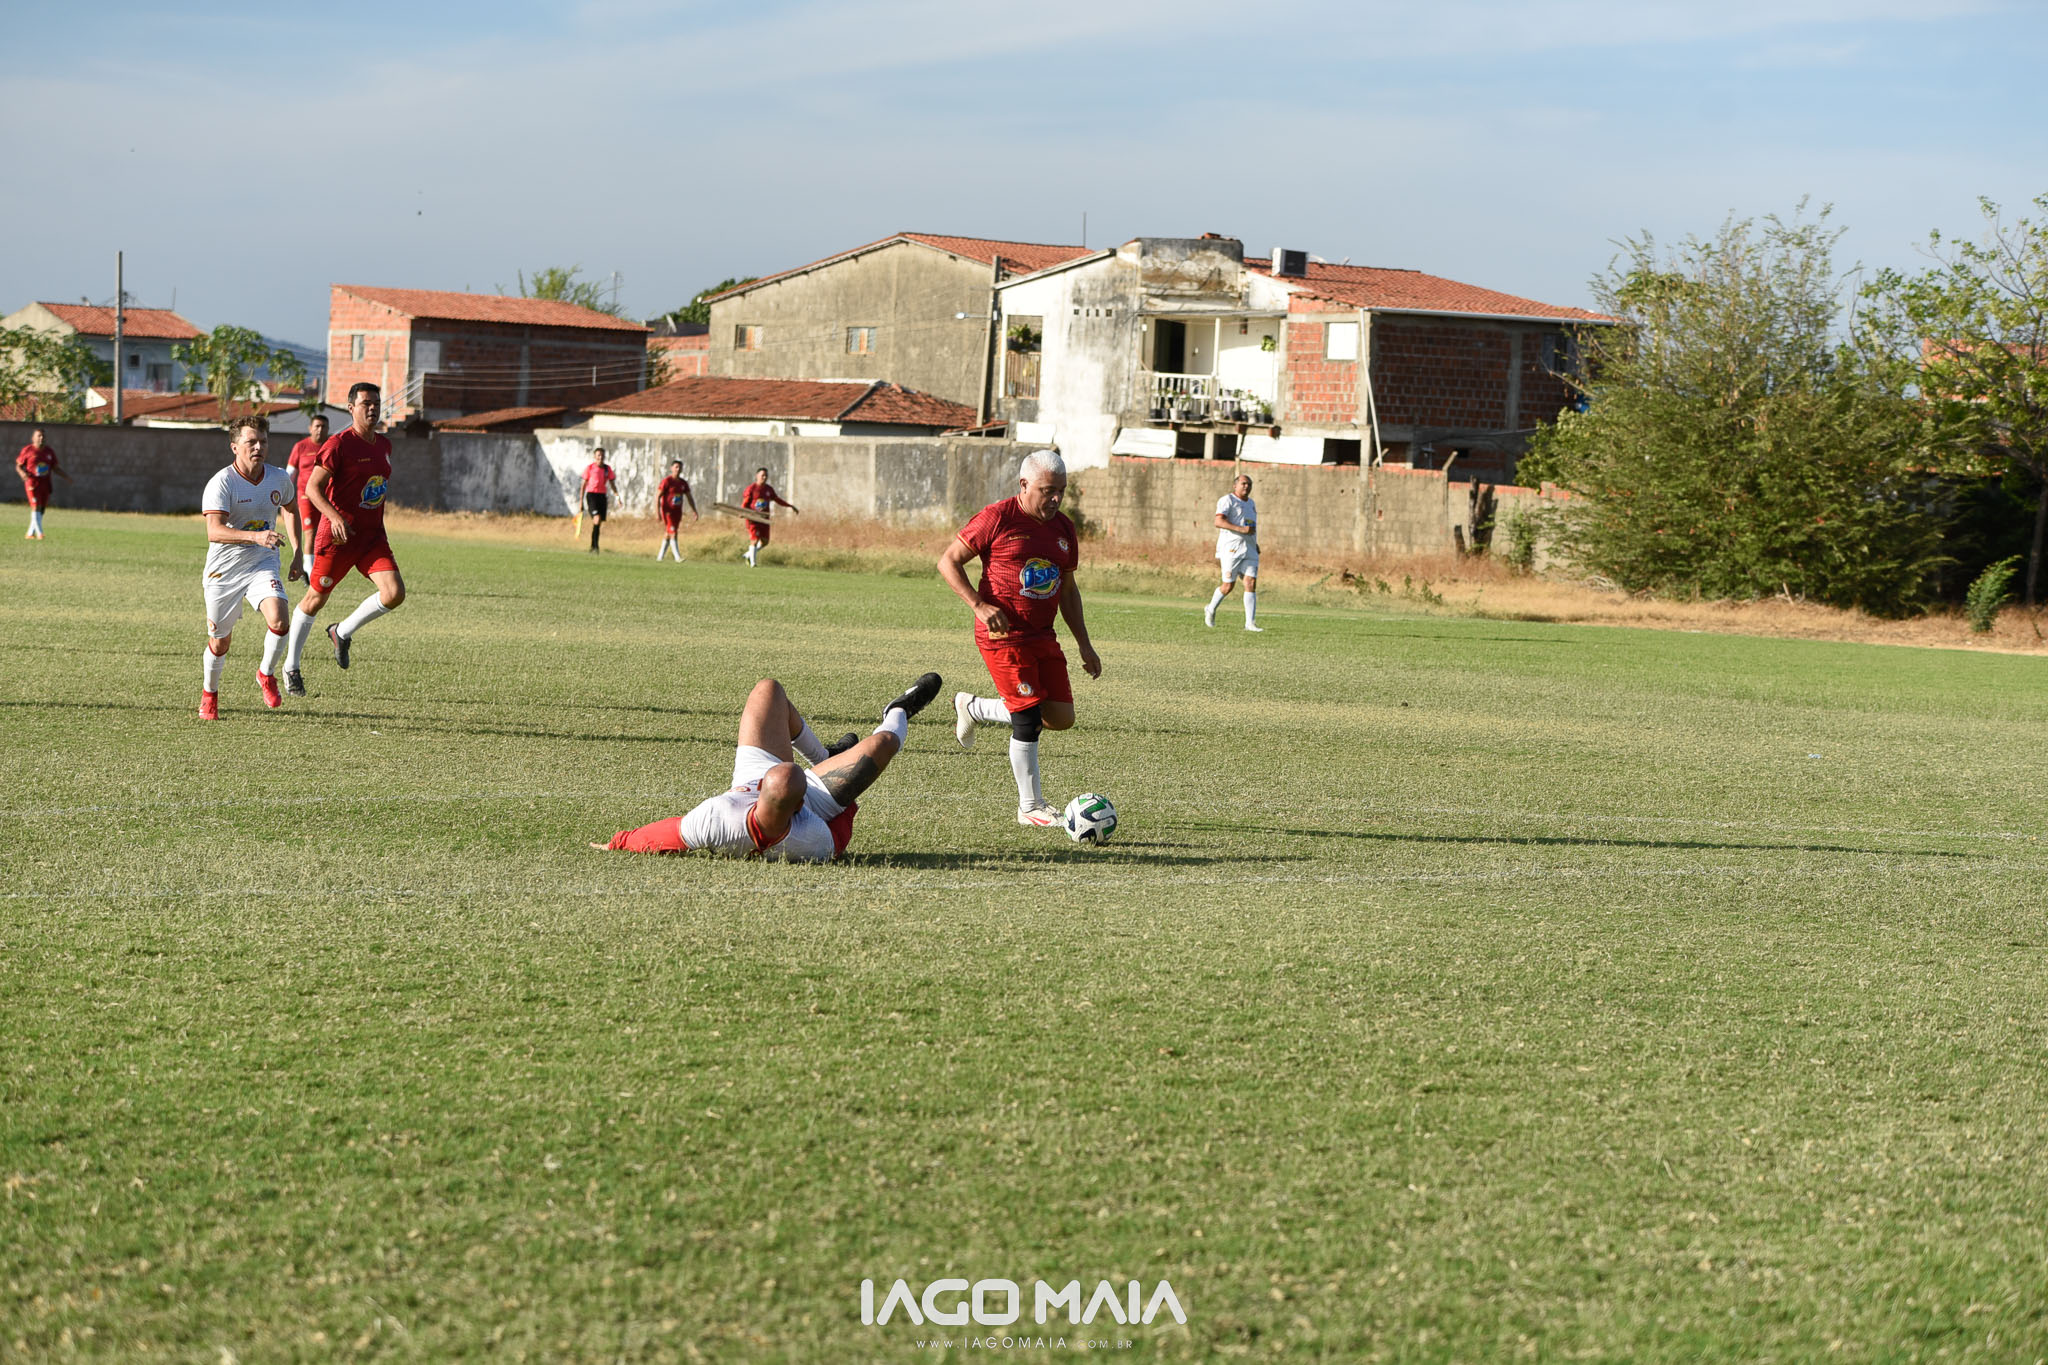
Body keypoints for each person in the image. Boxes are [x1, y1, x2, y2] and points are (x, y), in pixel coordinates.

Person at [596, 672, 941, 862]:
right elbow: (842, 827)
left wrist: (617, 843)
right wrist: (846, 791)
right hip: (817, 800)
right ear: (799, 806)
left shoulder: (717, 817)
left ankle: (826, 758)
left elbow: (666, 834)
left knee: (768, 690)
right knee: (884, 743)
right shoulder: (813, 840)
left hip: (769, 784)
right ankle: (897, 710)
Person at [937, 448, 1102, 827]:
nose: (1056, 498)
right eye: (1047, 490)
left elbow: (1068, 590)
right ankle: (1030, 807)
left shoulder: (1064, 529)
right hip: (1003, 636)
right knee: (1027, 719)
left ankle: (975, 708)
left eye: (1061, 490)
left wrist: (1084, 644)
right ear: (1024, 485)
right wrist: (979, 605)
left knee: (1060, 717)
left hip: (1043, 636)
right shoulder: (997, 517)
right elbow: (948, 561)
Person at [281, 382, 403, 694]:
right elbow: (312, 489)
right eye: (365, 403)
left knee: (394, 593)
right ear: (351, 408)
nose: (372, 408)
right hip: (337, 538)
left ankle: (342, 632)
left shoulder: (384, 445)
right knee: (315, 599)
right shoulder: (338, 445)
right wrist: (335, 517)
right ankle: (291, 666)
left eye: (376, 403)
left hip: (372, 536)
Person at [198, 416, 302, 719]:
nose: (259, 447)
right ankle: (210, 694)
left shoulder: (279, 478)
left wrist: (298, 552)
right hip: (224, 570)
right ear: (235, 447)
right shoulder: (222, 482)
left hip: (262, 562)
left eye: (263, 442)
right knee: (220, 642)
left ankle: (266, 674)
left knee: (280, 619)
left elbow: (290, 508)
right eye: (251, 442)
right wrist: (256, 536)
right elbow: (214, 531)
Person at [1204, 471, 1262, 631]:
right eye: (1243, 483)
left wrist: (1255, 543)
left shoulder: (1251, 503)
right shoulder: (1227, 500)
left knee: (1250, 582)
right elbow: (1218, 521)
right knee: (1228, 586)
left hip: (1249, 549)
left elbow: (1250, 525)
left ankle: (1250, 623)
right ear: (1235, 486)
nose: (1246, 486)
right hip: (1231, 549)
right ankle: (1211, 608)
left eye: (1249, 484)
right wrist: (1241, 529)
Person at [284, 413, 330, 582]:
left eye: (323, 426)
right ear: (310, 428)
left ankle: (318, 567)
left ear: (328, 429)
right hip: (305, 496)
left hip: (326, 497)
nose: (320, 429)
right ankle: (309, 573)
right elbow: (290, 473)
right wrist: (285, 496)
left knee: (325, 534)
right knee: (310, 532)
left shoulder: (332, 446)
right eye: (317, 426)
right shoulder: (301, 446)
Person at [15, 428, 71, 540]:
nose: (41, 438)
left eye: (43, 436)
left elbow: (55, 468)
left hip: (45, 484)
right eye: (39, 436)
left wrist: (66, 477)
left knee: (42, 510)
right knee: (35, 507)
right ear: (33, 438)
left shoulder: (49, 452)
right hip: (32, 483)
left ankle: (30, 534)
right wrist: (22, 473)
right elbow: (18, 466)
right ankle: (40, 533)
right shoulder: (28, 450)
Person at [738, 466, 797, 567]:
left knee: (765, 541)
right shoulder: (751, 489)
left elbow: (777, 500)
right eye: (762, 475)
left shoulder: (769, 489)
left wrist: (790, 506)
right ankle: (753, 563)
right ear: (757, 476)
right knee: (754, 540)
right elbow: (745, 502)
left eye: (766, 476)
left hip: (764, 518)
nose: (764, 477)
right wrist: (742, 512)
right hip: (753, 518)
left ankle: (748, 555)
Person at [655, 459, 698, 562]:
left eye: (680, 467)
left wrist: (694, 510)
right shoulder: (667, 481)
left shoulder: (683, 483)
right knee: (673, 532)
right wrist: (658, 513)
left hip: (677, 512)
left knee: (669, 533)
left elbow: (689, 497)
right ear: (671, 468)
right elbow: (658, 496)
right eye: (676, 467)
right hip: (668, 511)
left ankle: (660, 557)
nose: (678, 469)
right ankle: (677, 557)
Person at [581, 447, 618, 553]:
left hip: (602, 496)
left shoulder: (607, 469)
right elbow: (583, 485)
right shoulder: (590, 468)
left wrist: (617, 497)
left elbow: (612, 484)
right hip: (592, 495)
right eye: (598, 455)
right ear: (595, 456)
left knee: (598, 522)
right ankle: (596, 546)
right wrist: (581, 501)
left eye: (602, 455)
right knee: (596, 519)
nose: (600, 457)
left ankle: (593, 546)